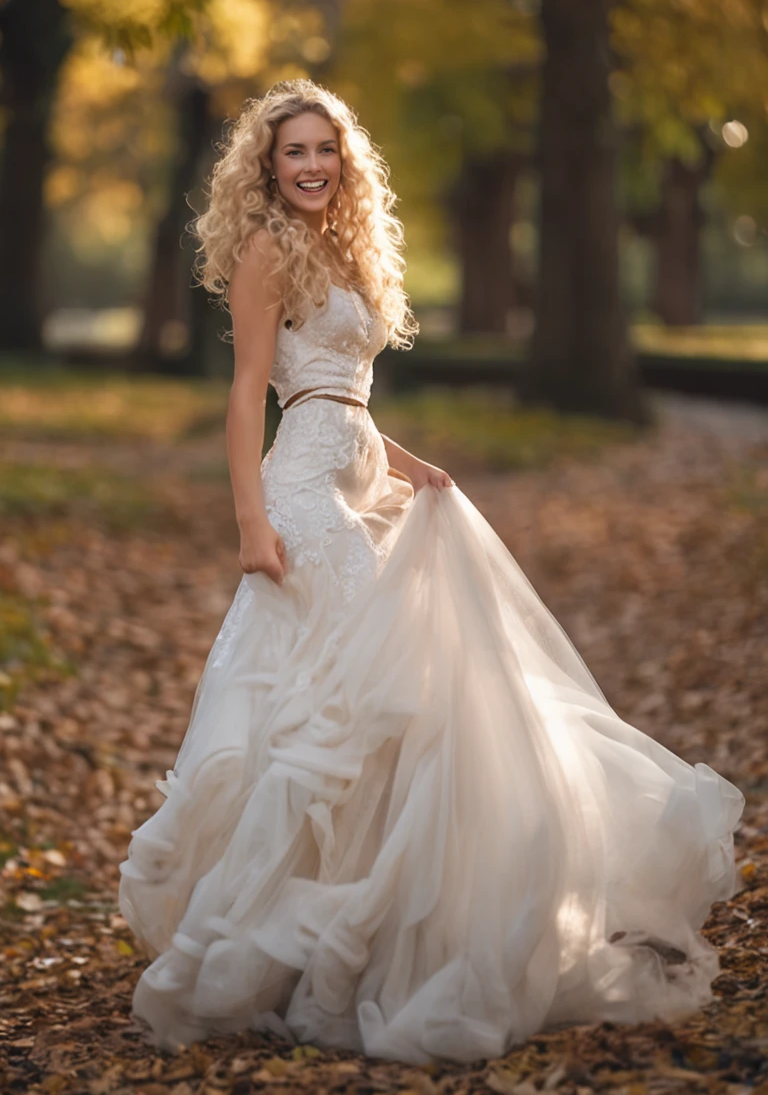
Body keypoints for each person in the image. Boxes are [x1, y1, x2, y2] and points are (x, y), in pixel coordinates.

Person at [118, 78, 744, 1065]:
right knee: (357, 701)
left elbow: (342, 399)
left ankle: (373, 923)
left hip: (360, 478)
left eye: (326, 148)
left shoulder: (347, 248)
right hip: (301, 497)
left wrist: (407, 467)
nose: (312, 165)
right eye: (293, 153)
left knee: (383, 698)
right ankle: (300, 937)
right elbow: (254, 394)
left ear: (344, 159)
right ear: (267, 167)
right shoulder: (263, 249)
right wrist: (248, 517)